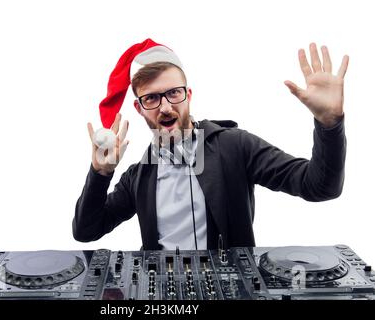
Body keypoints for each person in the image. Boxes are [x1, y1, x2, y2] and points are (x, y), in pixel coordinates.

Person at [73, 38, 348, 250]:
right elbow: (86, 231)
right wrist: (100, 174)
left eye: (173, 93)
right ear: (139, 107)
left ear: (188, 94)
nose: (166, 107)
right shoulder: (139, 175)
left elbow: (320, 186)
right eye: (152, 98)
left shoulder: (235, 146)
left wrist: (329, 125)